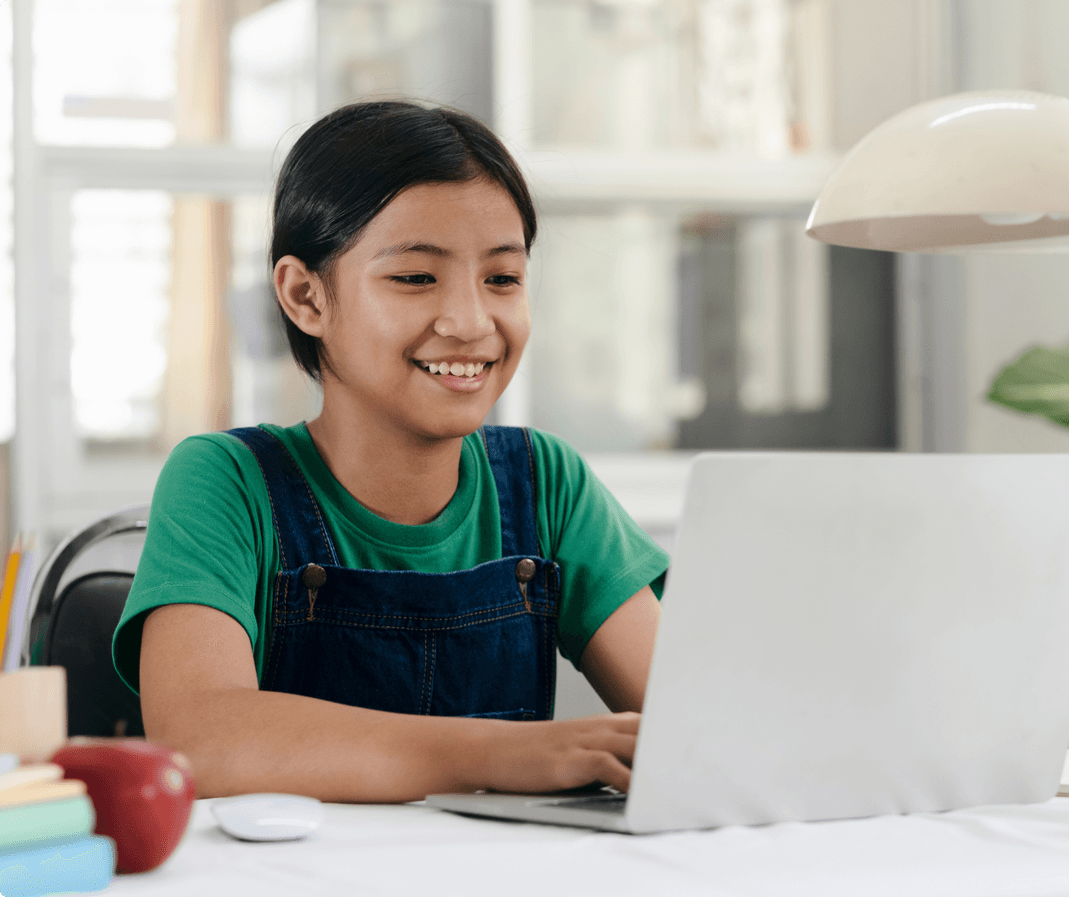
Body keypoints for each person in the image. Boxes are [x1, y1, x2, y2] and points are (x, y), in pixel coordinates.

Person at [112, 101, 669, 803]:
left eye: (502, 278)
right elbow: (201, 736)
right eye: (414, 277)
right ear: (305, 295)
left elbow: (700, 720)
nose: (470, 322)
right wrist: (503, 752)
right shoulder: (226, 482)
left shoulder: (546, 481)